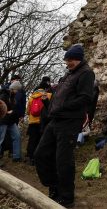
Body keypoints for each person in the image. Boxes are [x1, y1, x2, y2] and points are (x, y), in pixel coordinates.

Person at [34, 44, 95, 208]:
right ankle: (54, 188)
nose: (67, 63)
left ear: (79, 59)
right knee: (41, 154)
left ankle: (66, 199)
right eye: (66, 60)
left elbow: (85, 98)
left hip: (70, 122)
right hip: (55, 120)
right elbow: (59, 96)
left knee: (63, 161)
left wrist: (62, 107)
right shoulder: (68, 75)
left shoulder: (86, 73)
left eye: (70, 60)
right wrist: (50, 105)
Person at [26, 78, 52, 164]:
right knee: (40, 140)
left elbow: (28, 111)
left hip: (32, 122)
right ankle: (38, 159)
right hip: (42, 122)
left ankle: (30, 157)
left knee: (32, 140)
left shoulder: (32, 97)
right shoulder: (49, 95)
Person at [0, 81, 25, 161]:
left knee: (17, 136)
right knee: (0, 139)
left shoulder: (13, 97)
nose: (17, 91)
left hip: (11, 121)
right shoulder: (3, 95)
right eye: (17, 90)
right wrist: (6, 111)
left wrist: (13, 112)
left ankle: (16, 157)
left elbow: (14, 109)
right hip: (3, 120)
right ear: (13, 88)